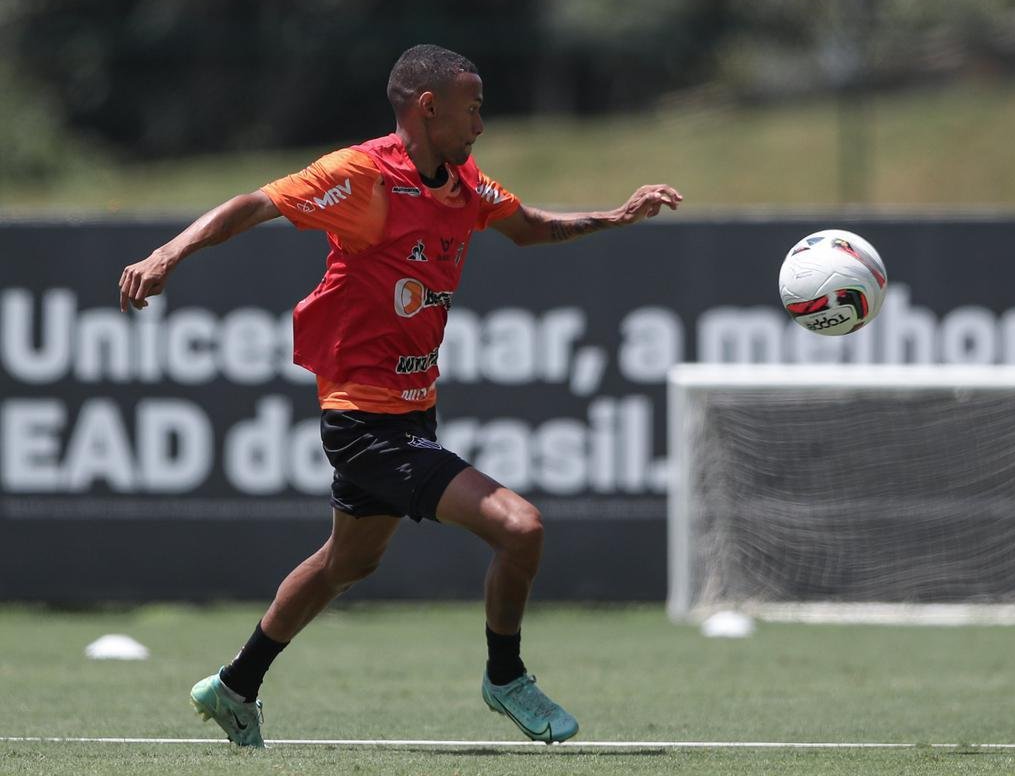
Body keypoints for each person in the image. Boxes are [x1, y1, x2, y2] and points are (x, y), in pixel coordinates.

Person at [117, 43, 682, 748]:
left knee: (347, 561)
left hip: (410, 408)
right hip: (363, 419)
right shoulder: (362, 176)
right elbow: (255, 204)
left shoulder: (463, 181)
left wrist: (616, 216)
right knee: (521, 527)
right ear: (429, 107)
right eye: (472, 108)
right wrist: (167, 254)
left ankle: (236, 685)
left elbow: (529, 227)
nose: (480, 122)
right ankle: (505, 677)